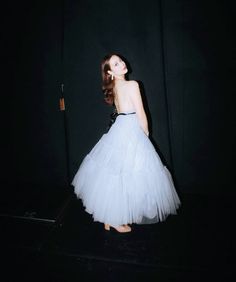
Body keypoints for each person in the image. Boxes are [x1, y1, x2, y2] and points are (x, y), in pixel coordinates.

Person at [71, 53, 181, 233]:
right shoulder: (132, 84)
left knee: (117, 174)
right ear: (110, 72)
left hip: (120, 128)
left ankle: (110, 217)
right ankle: (112, 219)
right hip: (131, 128)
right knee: (128, 173)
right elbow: (141, 114)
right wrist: (145, 136)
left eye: (120, 60)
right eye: (116, 64)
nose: (122, 64)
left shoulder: (114, 87)